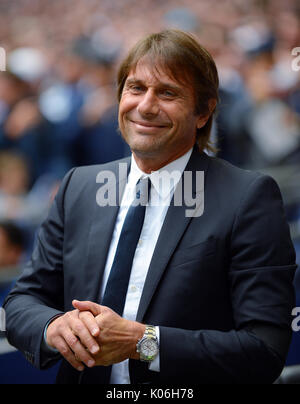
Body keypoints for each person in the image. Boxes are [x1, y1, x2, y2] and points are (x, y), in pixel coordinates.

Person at [3, 29, 297, 384]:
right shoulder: (78, 186)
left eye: (168, 92)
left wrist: (142, 342)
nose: (145, 105)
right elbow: (24, 299)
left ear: (203, 112)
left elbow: (264, 350)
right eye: (136, 88)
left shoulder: (247, 198)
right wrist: (53, 327)